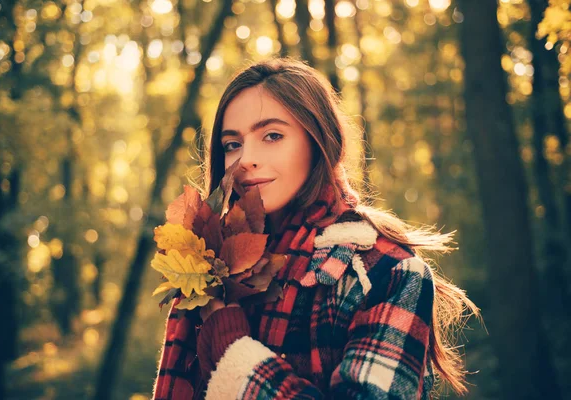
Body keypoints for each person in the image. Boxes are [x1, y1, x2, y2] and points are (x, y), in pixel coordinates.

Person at [152, 57, 480, 400]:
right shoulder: (209, 267)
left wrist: (233, 351)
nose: (245, 158)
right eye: (232, 144)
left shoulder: (388, 272)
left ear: (320, 140)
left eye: (272, 135)